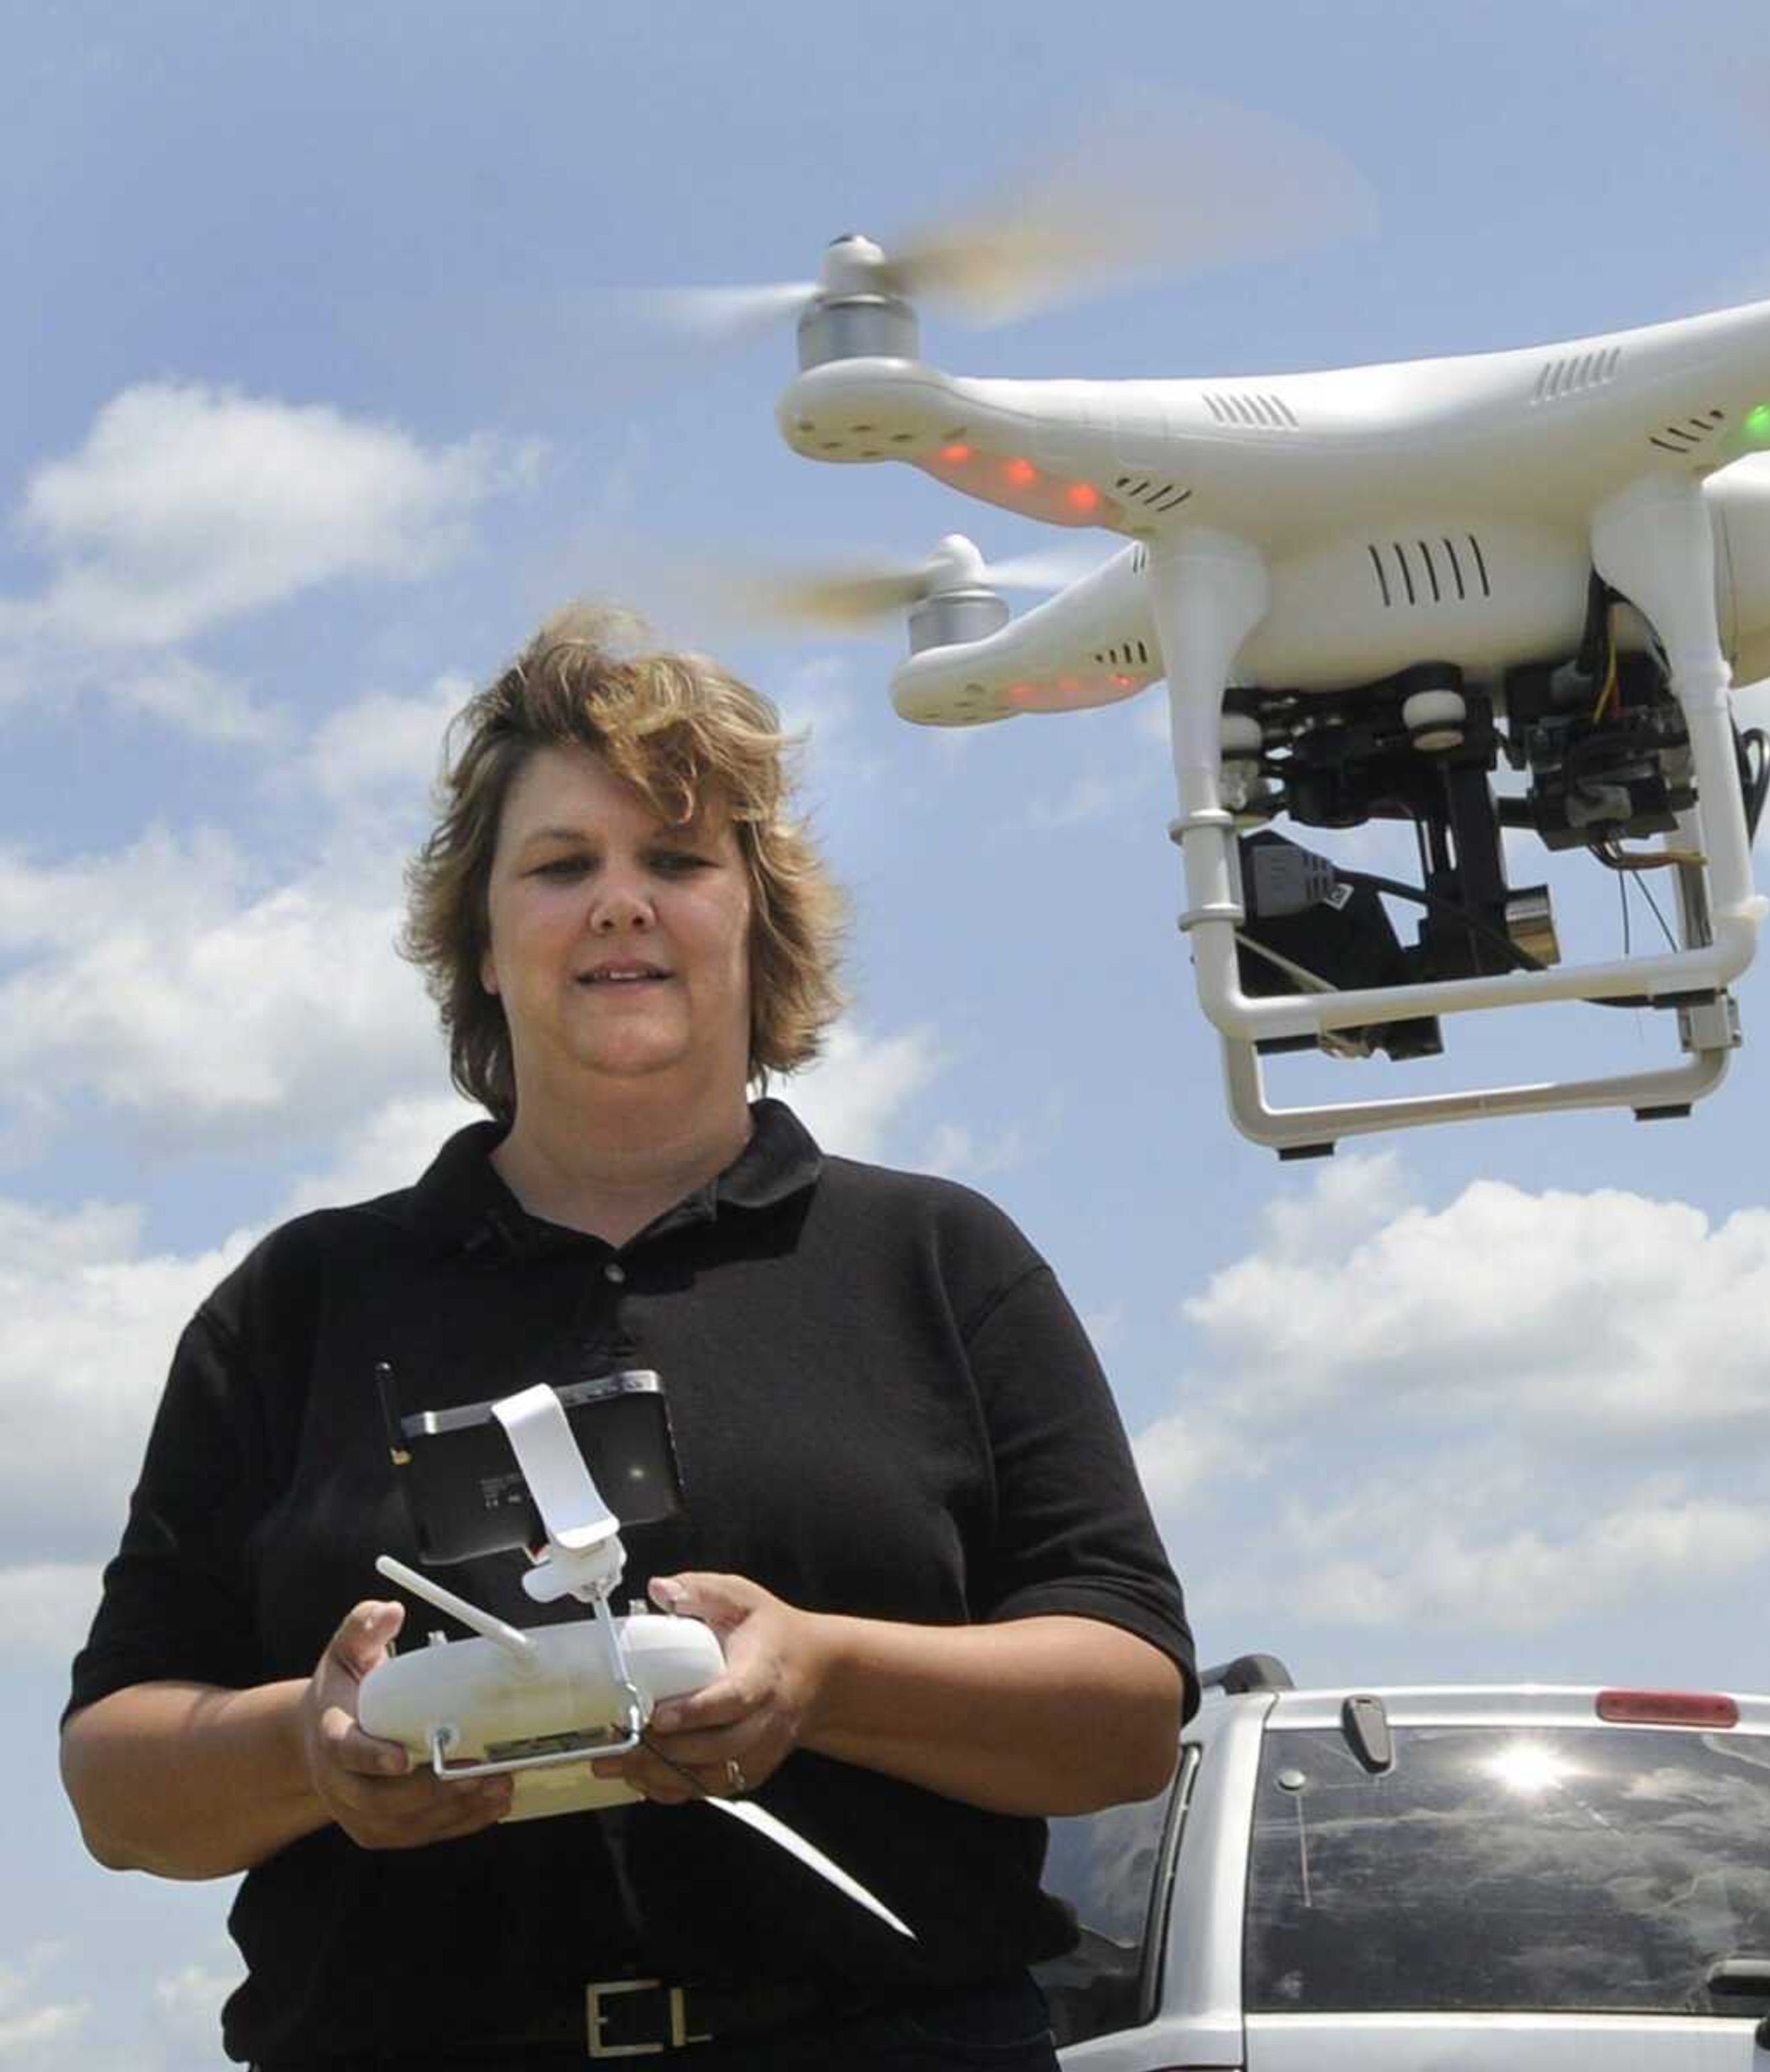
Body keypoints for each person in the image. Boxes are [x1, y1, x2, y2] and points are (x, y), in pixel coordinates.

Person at [59, 607, 1195, 2069]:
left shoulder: (937, 1261)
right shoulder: (299, 1302)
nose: (620, 903)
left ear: (755, 914)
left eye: (674, 859)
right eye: (559, 866)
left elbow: (1126, 1716)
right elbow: (113, 1782)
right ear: (477, 941)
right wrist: (310, 1748)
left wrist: (826, 1674)